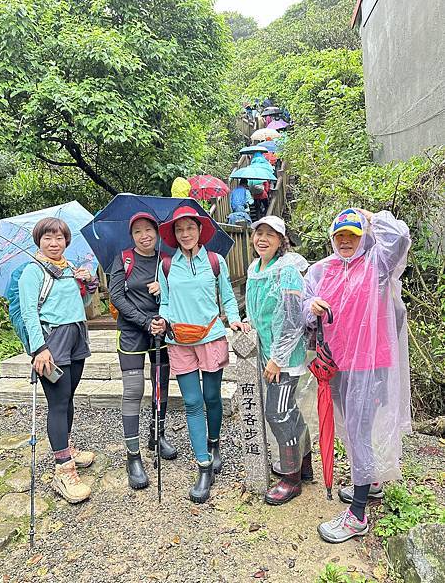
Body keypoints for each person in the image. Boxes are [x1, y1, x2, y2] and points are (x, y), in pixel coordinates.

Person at [303, 208, 411, 543]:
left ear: (363, 236)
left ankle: (357, 514)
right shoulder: (323, 270)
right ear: (332, 239)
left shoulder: (377, 265)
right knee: (353, 429)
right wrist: (312, 308)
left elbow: (400, 237)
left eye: (353, 234)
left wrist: (371, 216)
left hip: (370, 365)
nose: (346, 241)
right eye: (340, 236)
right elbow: (304, 308)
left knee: (358, 431)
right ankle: (372, 481)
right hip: (337, 364)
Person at [151, 206, 249, 503]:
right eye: (179, 230)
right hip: (179, 340)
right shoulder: (167, 265)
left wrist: (233, 317)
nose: (185, 234)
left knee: (212, 398)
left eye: (190, 228)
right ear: (174, 234)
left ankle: (215, 442)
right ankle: (203, 467)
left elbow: (228, 295)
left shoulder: (215, 261)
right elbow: (165, 302)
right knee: (192, 402)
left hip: (211, 337)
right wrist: (162, 320)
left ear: (199, 230)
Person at [19, 217, 99, 504]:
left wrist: (88, 284)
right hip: (52, 343)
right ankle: (63, 471)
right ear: (39, 241)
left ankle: (66, 447)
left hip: (77, 335)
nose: (54, 243)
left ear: (67, 241)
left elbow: (85, 305)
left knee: (69, 396)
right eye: (48, 238)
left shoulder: (69, 270)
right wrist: (39, 349)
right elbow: (29, 313)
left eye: (59, 238)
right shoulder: (33, 271)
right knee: (57, 401)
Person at [246, 216, 312, 505]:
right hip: (268, 354)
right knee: (291, 411)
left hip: (283, 358)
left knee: (278, 413)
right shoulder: (255, 268)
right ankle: (303, 463)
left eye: (270, 234)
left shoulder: (287, 271)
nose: (262, 238)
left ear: (281, 240)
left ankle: (291, 478)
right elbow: (259, 309)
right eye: (258, 233)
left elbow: (293, 320)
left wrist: (277, 358)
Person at [109, 212, 177, 490]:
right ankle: (133, 455)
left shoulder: (167, 261)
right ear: (132, 236)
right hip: (132, 333)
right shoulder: (124, 259)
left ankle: (156, 436)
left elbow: (178, 294)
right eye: (138, 231)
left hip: (160, 330)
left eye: (149, 229)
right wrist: (144, 321)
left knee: (161, 385)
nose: (144, 235)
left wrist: (165, 289)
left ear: (157, 232)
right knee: (134, 390)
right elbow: (116, 296)